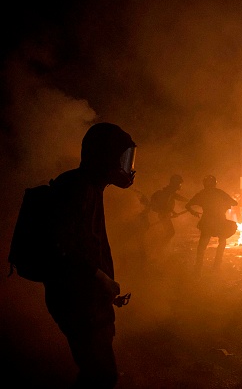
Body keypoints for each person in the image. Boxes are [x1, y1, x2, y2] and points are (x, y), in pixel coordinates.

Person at [44, 122, 136, 388]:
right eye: (122, 158)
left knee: (96, 371)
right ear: (104, 156)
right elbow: (64, 248)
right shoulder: (79, 189)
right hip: (77, 300)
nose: (126, 167)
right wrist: (101, 280)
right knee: (100, 375)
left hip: (86, 298)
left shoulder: (87, 186)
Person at [186, 175, 238, 274]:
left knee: (202, 246)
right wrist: (226, 204)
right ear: (215, 183)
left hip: (207, 223)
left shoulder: (202, 194)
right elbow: (234, 203)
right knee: (222, 242)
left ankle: (198, 268)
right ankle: (216, 266)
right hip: (219, 222)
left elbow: (188, 205)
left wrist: (194, 212)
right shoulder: (220, 193)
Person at [150, 174, 189, 243]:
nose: (180, 185)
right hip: (164, 215)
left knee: (169, 232)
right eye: (179, 183)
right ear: (176, 183)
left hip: (165, 214)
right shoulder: (168, 192)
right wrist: (173, 212)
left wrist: (190, 201)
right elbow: (165, 205)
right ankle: (159, 247)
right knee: (170, 232)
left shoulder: (170, 192)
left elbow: (178, 197)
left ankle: (160, 246)